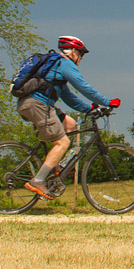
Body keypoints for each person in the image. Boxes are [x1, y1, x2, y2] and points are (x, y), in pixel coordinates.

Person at [15, 35, 120, 198]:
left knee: (70, 124)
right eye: (80, 53)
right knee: (62, 142)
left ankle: (56, 167)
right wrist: (108, 101)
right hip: (37, 105)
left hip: (32, 104)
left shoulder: (56, 68)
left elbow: (69, 97)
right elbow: (84, 87)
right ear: (71, 51)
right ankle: (38, 180)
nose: (81, 58)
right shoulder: (65, 64)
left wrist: (89, 108)